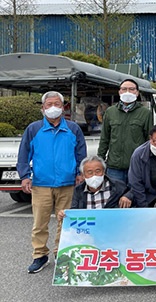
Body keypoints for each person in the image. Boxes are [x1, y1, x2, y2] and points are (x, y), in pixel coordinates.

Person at [17, 91, 87, 274]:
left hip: (67, 183)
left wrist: (80, 172)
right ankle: (40, 255)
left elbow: (81, 153)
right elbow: (23, 154)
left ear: (63, 107)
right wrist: (25, 175)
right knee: (40, 222)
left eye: (57, 104)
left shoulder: (73, 128)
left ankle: (61, 252)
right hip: (41, 184)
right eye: (49, 105)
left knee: (65, 221)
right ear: (43, 108)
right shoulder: (33, 129)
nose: (53, 108)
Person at [98, 79, 153, 182]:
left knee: (136, 196)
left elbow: (149, 140)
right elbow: (104, 138)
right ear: (119, 92)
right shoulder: (110, 112)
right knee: (115, 196)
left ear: (137, 93)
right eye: (124, 89)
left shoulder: (145, 113)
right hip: (114, 167)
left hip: (136, 166)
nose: (127, 92)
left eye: (131, 89)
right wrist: (100, 159)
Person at [57, 155, 132, 221]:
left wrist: (128, 196)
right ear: (83, 175)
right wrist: (64, 214)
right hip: (90, 231)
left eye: (98, 171)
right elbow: (75, 212)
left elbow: (133, 195)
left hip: (113, 227)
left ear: (104, 172)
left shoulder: (118, 186)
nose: (94, 175)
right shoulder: (79, 190)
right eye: (90, 172)